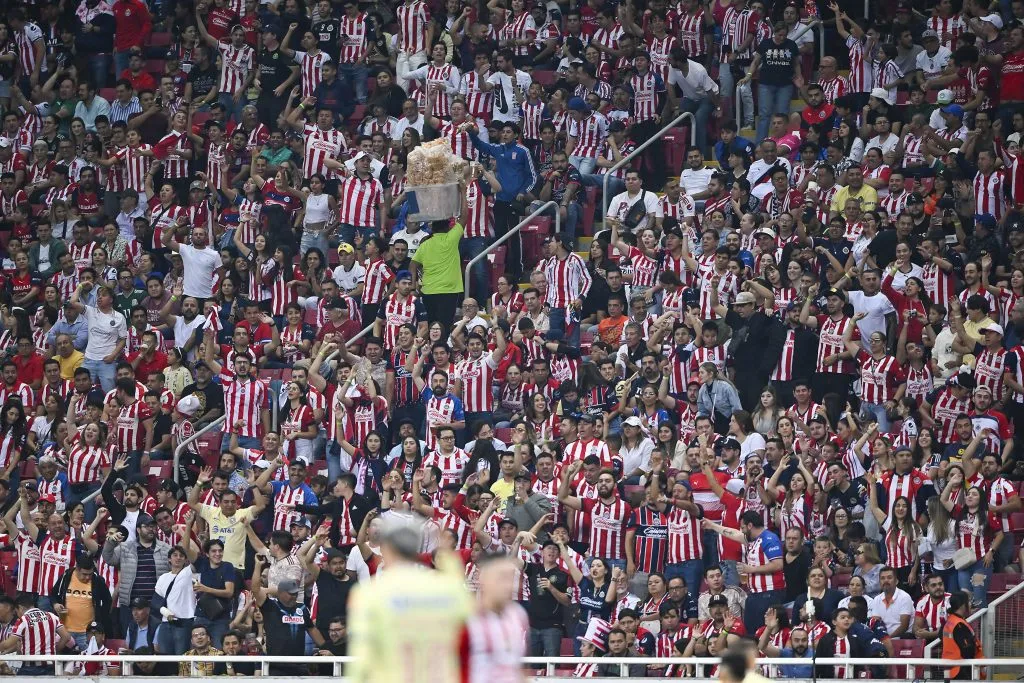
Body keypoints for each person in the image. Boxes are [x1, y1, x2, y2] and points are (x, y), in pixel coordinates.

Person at [347, 519, 472, 683]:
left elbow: (363, 653)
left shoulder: (370, 594)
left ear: (388, 550)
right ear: (415, 550)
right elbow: (467, 641)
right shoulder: (449, 590)